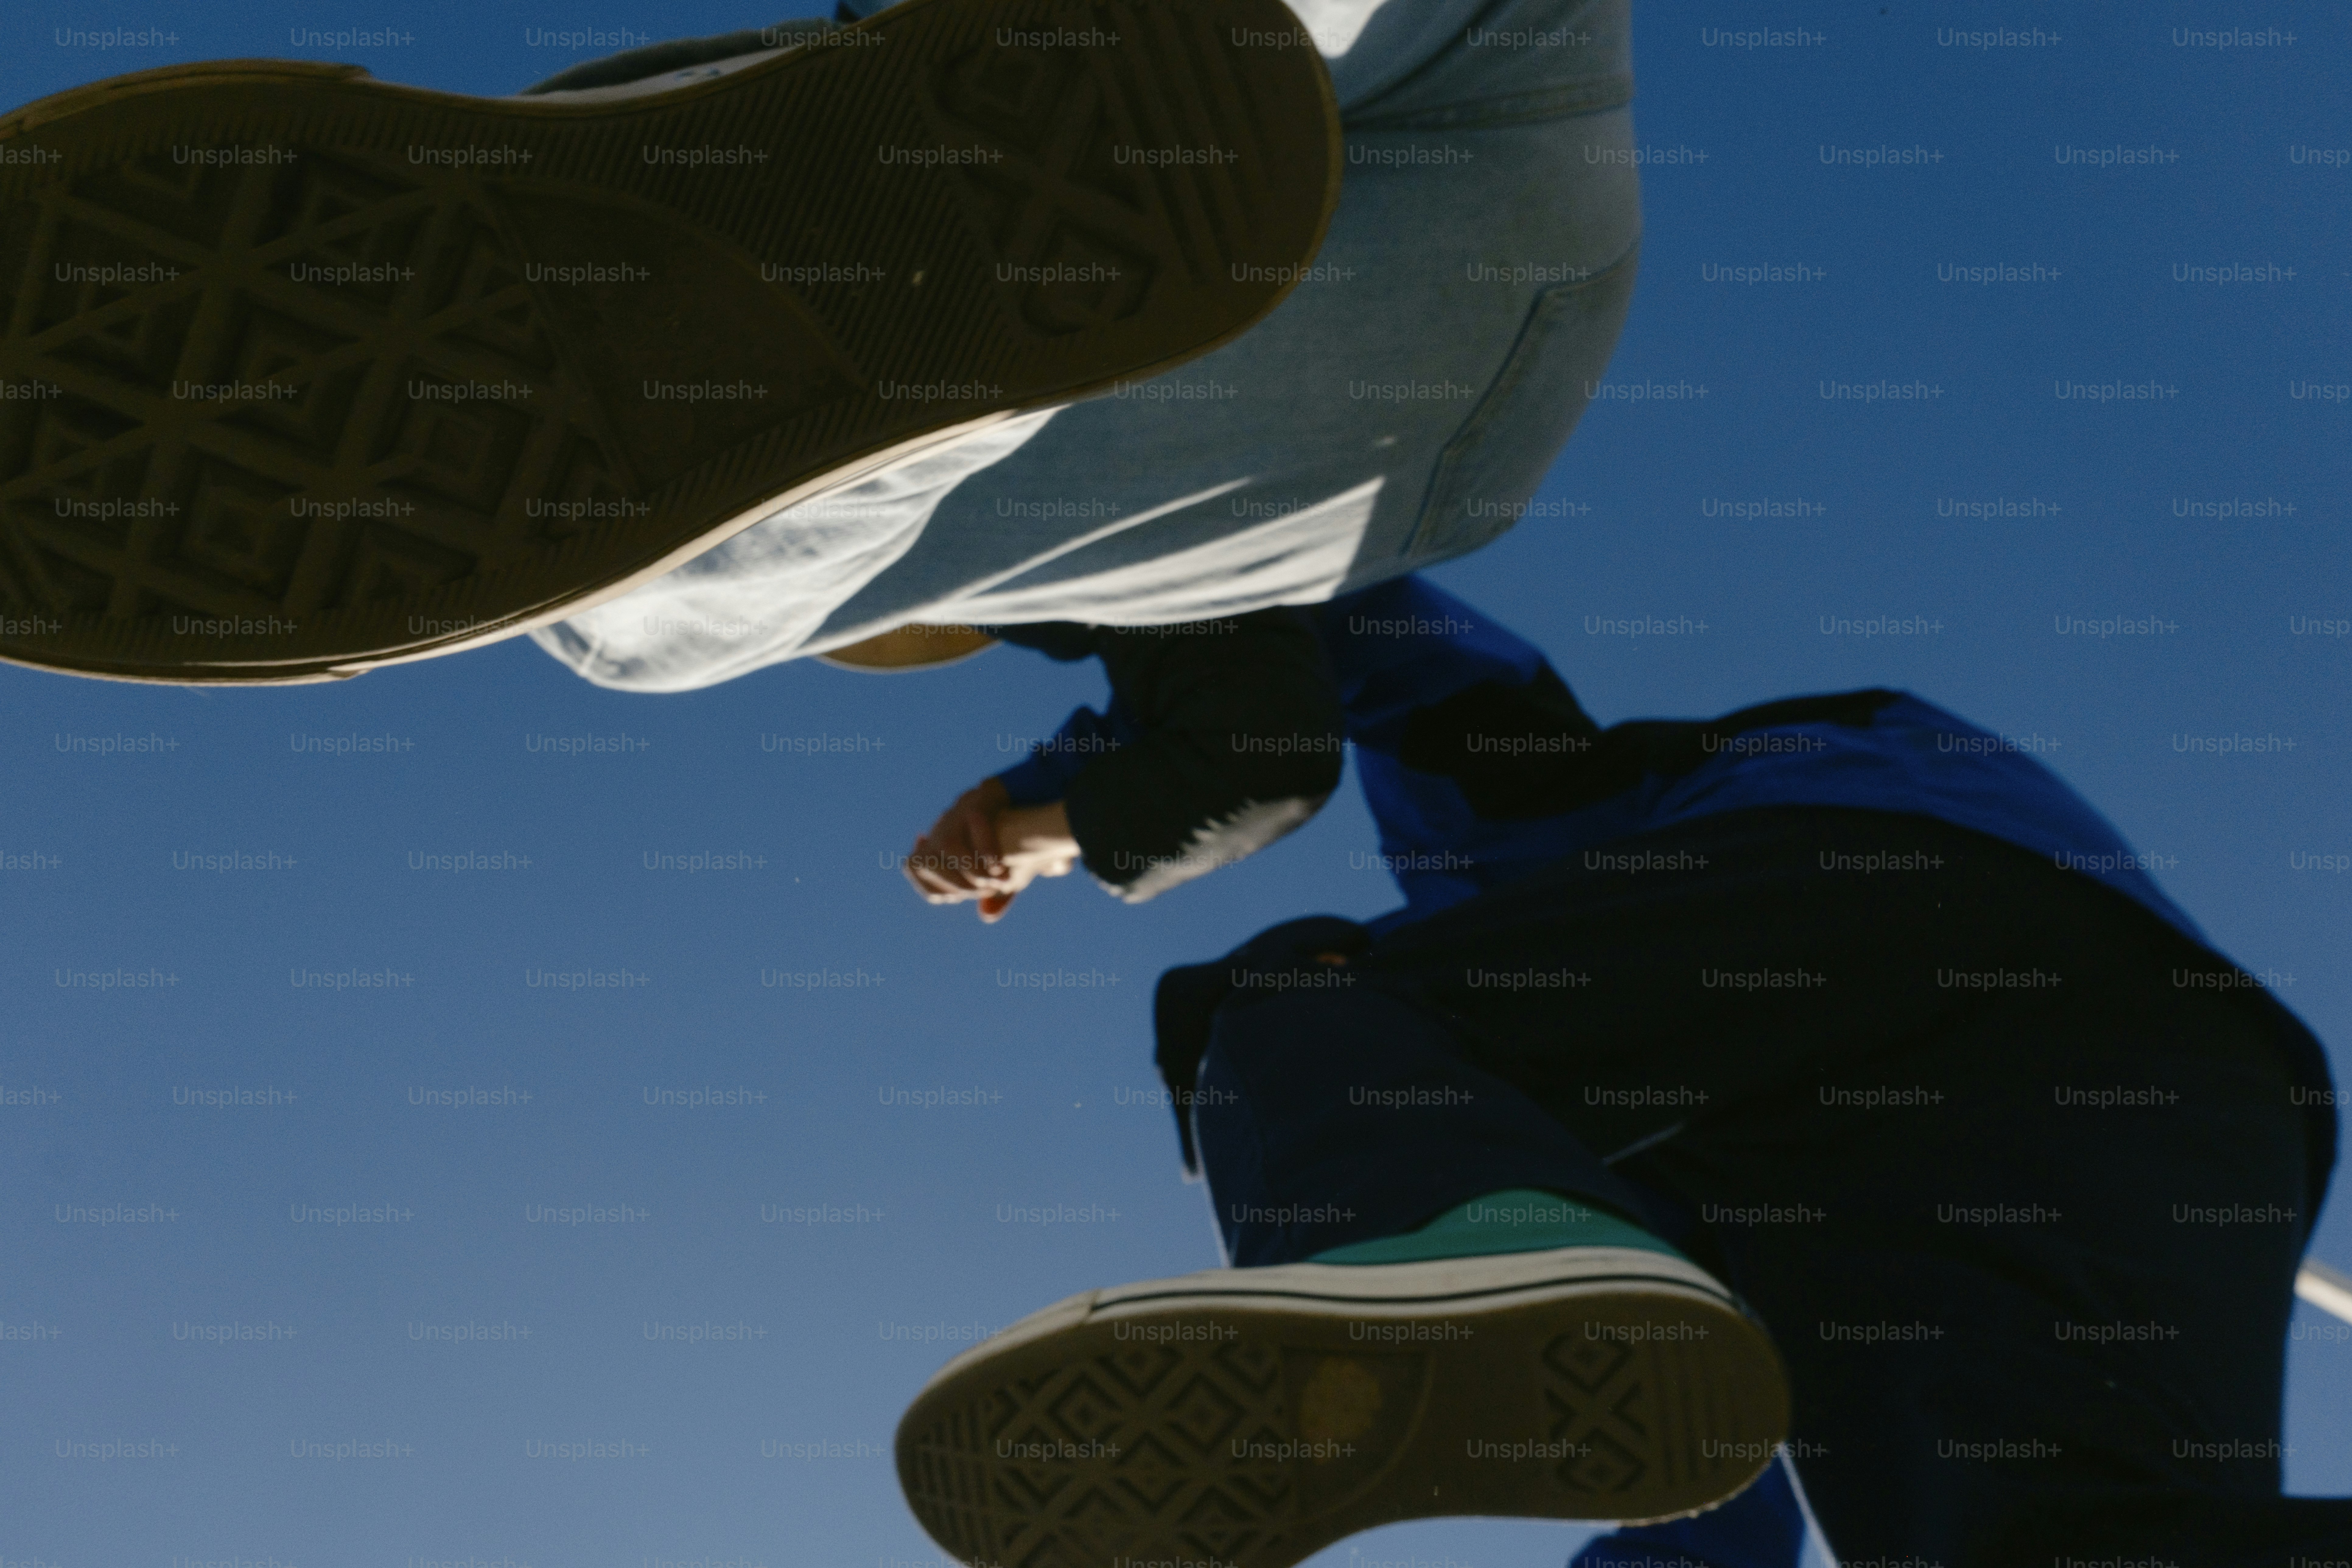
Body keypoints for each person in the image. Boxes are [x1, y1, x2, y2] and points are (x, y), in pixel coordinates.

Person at [892, 574, 2344, 1568]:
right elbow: (1691, 1427)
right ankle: (1450, 1254)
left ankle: (1419, 1252)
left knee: (1283, 998)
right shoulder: (1609, 1135)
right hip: (2175, 1082)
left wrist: (1054, 796)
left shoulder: (1527, 825)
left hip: (1910, 893)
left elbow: (1345, 609)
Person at [0, 0, 1642, 690]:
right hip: (1468, 251)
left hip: (1463, 392)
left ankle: (775, 459)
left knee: (678, 600)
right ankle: (746, 413)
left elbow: (1252, 759)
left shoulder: (1131, 605)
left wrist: (1069, 823)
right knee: (643, 613)